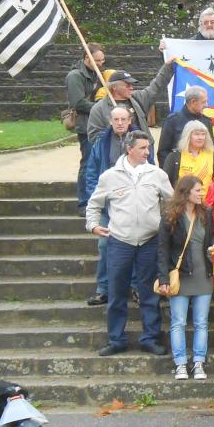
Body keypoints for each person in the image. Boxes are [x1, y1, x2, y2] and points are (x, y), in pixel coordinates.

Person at [85, 131, 173, 357]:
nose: (147, 152)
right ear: (129, 149)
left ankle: (150, 338)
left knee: (149, 294)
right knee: (116, 292)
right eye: (143, 148)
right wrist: (93, 225)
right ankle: (116, 339)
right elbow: (93, 204)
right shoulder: (110, 176)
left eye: (148, 148)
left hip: (150, 241)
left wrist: (166, 226)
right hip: (119, 241)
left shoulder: (157, 174)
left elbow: (172, 203)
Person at [156, 175, 214, 381]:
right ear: (186, 192)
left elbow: (212, 238)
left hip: (204, 276)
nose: (202, 193)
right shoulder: (170, 215)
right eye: (198, 190)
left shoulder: (207, 212)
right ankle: (180, 363)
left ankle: (199, 362)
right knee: (178, 322)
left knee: (201, 322)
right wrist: (163, 278)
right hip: (180, 276)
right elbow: (162, 249)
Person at [83, 106, 132, 306]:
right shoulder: (101, 142)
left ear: (130, 121)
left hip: (132, 205)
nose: (120, 123)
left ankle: (135, 287)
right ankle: (103, 289)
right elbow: (92, 172)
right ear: (110, 121)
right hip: (107, 205)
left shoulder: (141, 141)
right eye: (116, 119)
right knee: (104, 245)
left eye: (123, 119)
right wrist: (96, 197)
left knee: (137, 245)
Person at [86, 59, 175, 156]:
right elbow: (93, 137)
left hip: (143, 154)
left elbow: (156, 87)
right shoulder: (99, 108)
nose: (131, 87)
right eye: (127, 85)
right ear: (114, 87)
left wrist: (168, 67)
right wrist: (116, 136)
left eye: (132, 85)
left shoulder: (138, 98)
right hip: (115, 158)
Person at [65, 42, 106, 212]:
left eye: (102, 60)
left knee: (100, 163)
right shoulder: (75, 76)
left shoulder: (100, 75)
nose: (100, 64)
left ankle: (98, 201)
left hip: (100, 124)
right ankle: (84, 203)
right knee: (88, 163)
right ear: (86, 58)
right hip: (85, 125)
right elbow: (78, 103)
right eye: (96, 60)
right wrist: (101, 107)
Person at [157, 85, 213, 166]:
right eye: (204, 102)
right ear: (193, 102)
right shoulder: (172, 121)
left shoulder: (207, 122)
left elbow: (210, 149)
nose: (206, 105)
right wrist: (170, 174)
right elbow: (163, 152)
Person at [161, 121, 214, 196]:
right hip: (182, 204)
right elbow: (165, 184)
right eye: (196, 134)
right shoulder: (174, 157)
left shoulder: (213, 156)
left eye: (203, 134)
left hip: (206, 204)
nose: (200, 137)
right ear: (188, 136)